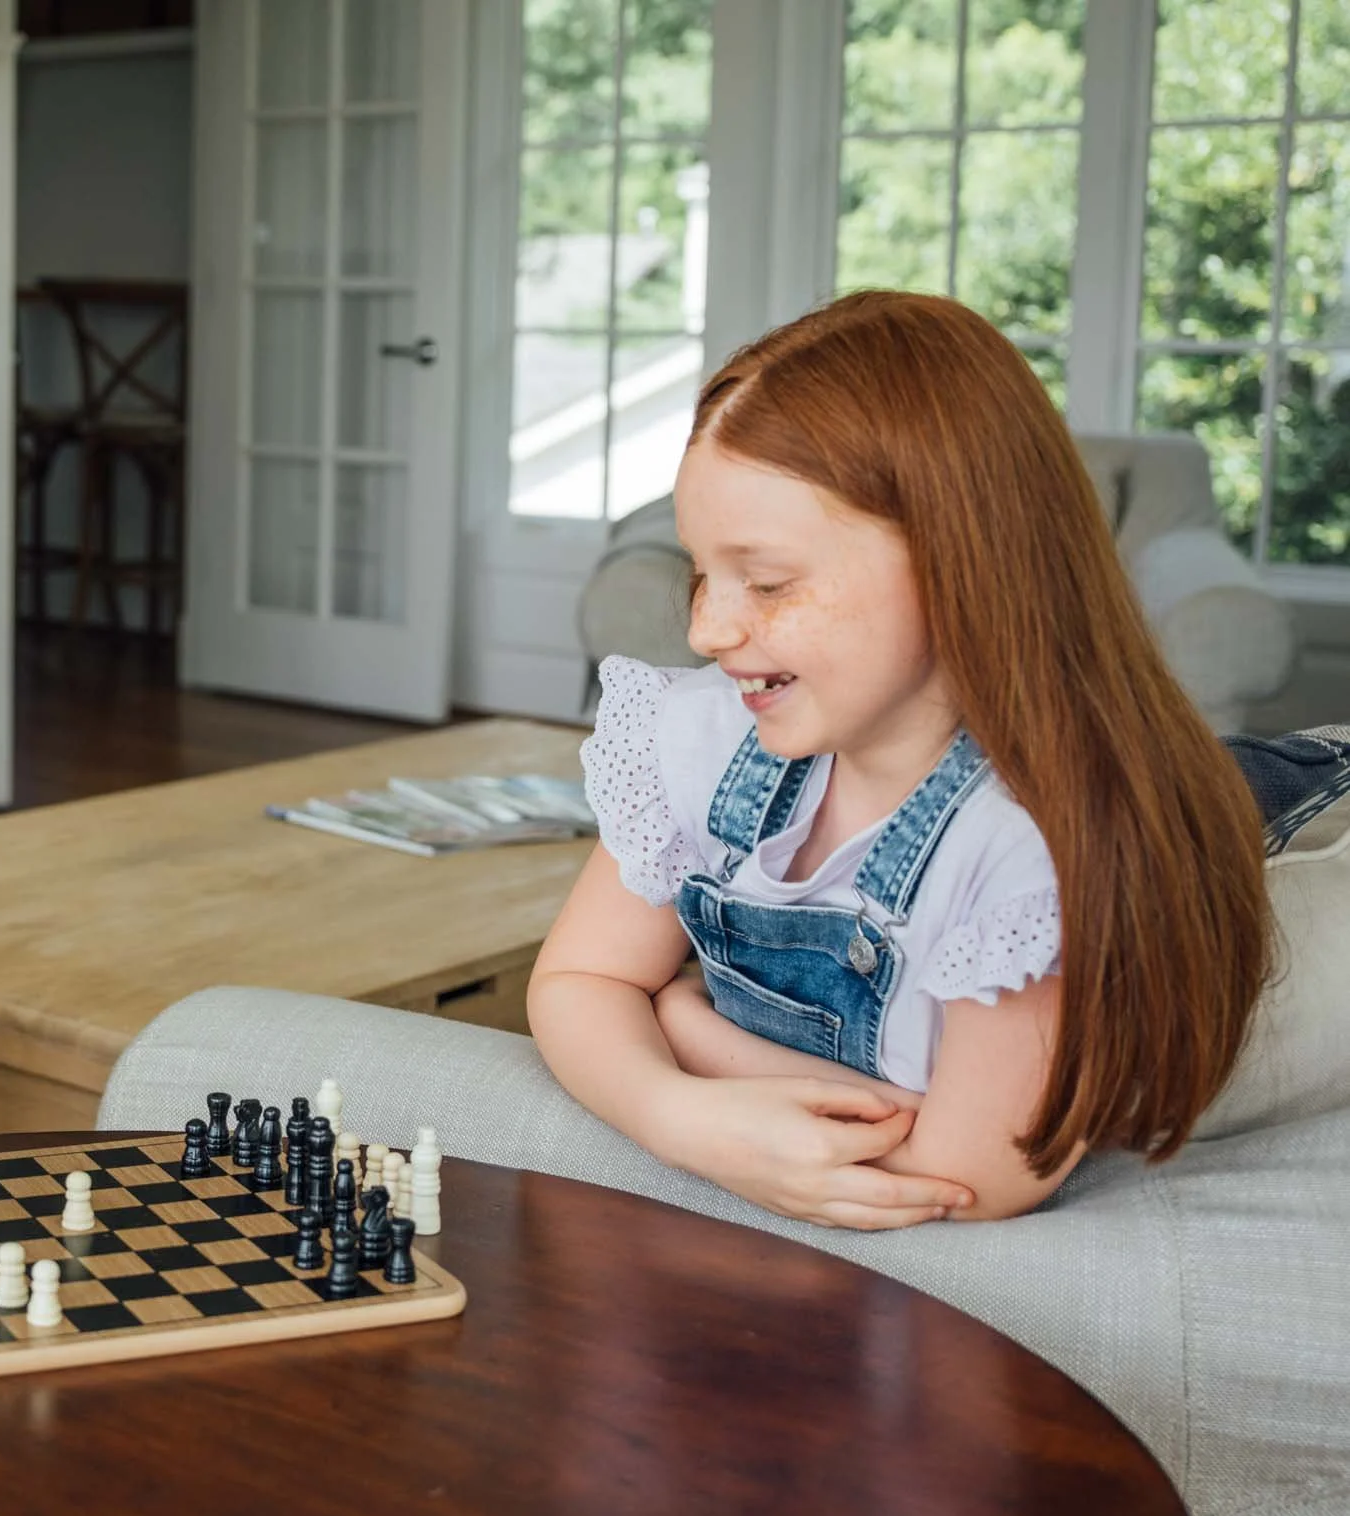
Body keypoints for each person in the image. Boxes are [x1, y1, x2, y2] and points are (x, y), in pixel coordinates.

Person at [529, 291, 1271, 1230]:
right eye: (701, 572)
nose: (706, 628)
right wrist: (679, 1115)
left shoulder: (1030, 842)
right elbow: (576, 983)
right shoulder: (710, 739)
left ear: (958, 558)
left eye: (765, 581)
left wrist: (691, 1032)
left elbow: (967, 1175)